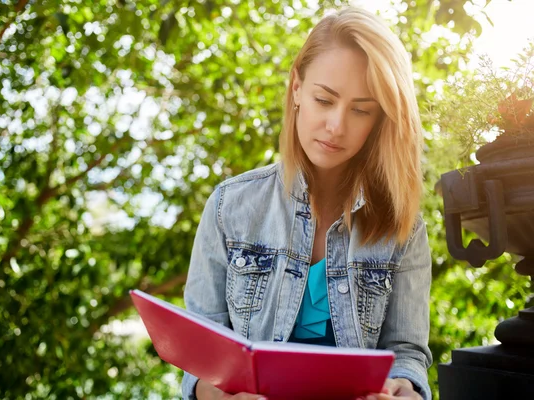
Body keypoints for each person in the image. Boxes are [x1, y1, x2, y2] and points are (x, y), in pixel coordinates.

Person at [182, 6, 432, 400]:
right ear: (297, 88)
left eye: (361, 110)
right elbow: (198, 360)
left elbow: (407, 354)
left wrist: (406, 391)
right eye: (324, 99)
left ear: (380, 119)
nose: (336, 126)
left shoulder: (405, 226)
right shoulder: (229, 207)